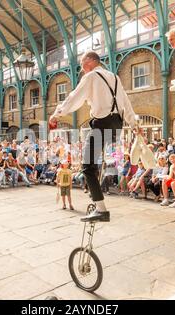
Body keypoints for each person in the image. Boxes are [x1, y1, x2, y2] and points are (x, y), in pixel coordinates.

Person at [50, 51, 137, 222]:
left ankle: (101, 209)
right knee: (93, 163)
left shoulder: (91, 77)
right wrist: (134, 124)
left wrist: (57, 114)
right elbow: (126, 103)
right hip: (116, 126)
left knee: (87, 166)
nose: (81, 68)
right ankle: (95, 192)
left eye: (82, 63)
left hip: (101, 123)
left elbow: (74, 97)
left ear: (90, 61)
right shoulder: (115, 78)